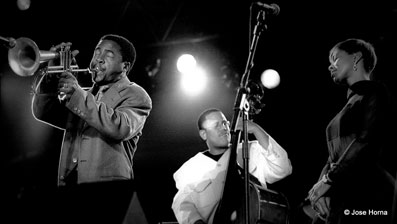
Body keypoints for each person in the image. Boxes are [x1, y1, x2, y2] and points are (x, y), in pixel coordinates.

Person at [31, 34, 152, 223]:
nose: (98, 58)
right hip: (72, 186)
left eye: (109, 55)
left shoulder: (136, 94)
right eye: (97, 51)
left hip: (108, 192)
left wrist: (77, 92)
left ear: (125, 66)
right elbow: (43, 112)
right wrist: (50, 77)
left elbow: (119, 127)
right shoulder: (84, 95)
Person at [307, 38, 395, 224]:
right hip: (342, 193)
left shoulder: (376, 92)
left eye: (335, 59)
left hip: (368, 192)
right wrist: (319, 189)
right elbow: (333, 158)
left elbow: (366, 141)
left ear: (356, 58)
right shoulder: (348, 105)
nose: (330, 67)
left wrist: (328, 180)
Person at [171, 108, 292, 224]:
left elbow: (283, 168)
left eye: (225, 123)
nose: (223, 128)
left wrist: (256, 129)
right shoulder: (189, 169)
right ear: (203, 134)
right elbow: (183, 205)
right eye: (216, 125)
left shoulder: (251, 150)